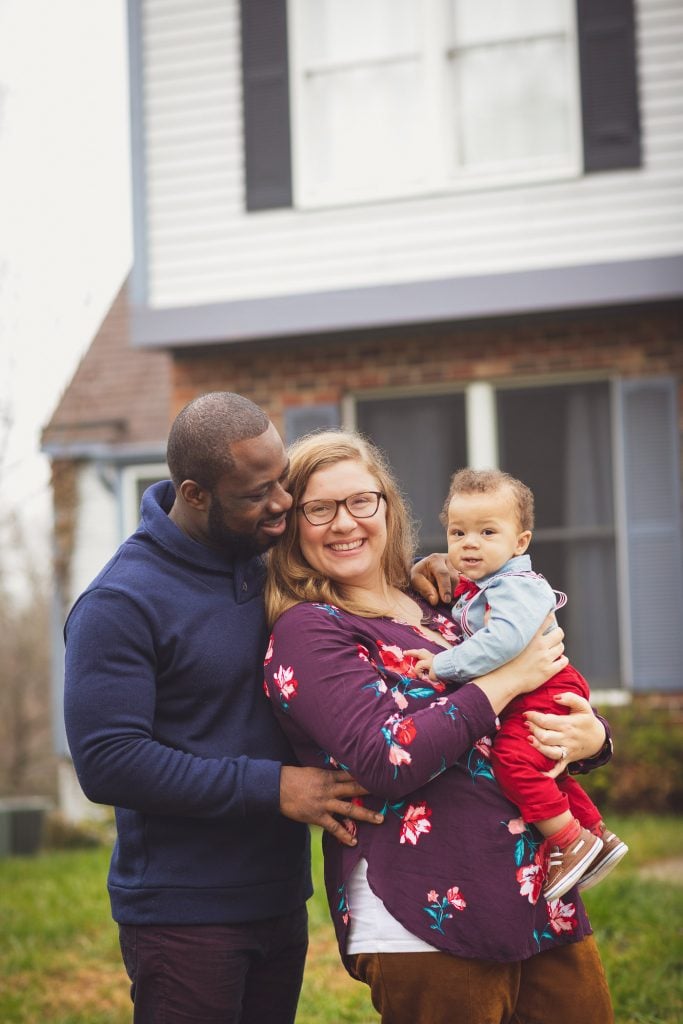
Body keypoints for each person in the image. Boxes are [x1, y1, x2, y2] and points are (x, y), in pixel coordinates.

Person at [263, 429, 615, 1024]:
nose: (344, 523)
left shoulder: (444, 605)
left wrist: (592, 739)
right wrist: (504, 681)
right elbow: (387, 758)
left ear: (387, 506)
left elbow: (535, 696)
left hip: (536, 895)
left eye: (360, 501)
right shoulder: (310, 630)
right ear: (293, 525)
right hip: (426, 912)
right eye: (317, 509)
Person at [63, 393, 387, 1024]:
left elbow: (362, 582)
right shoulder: (119, 603)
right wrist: (274, 787)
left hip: (278, 895)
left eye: (283, 482)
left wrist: (431, 572)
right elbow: (108, 762)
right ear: (196, 493)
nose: (283, 504)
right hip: (184, 914)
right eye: (257, 493)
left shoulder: (274, 560)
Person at [407, 468, 627, 900]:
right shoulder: (483, 585)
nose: (469, 542)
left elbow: (503, 642)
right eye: (458, 532)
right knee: (544, 768)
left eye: (487, 532)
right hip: (532, 686)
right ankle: (596, 835)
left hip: (542, 686)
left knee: (514, 761)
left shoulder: (514, 586)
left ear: (520, 542)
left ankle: (569, 841)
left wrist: (444, 663)